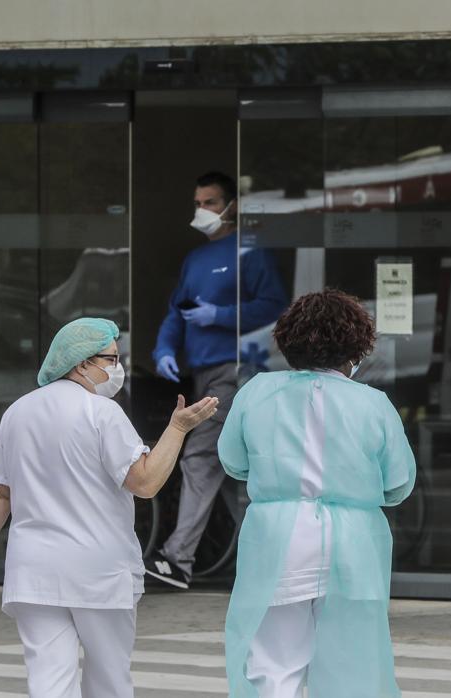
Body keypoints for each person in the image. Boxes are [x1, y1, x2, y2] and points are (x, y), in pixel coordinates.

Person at [0, 318, 219, 698]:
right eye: (111, 359)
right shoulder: (101, 412)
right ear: (81, 363)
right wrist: (177, 429)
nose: (118, 368)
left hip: (35, 573)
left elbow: (0, 492)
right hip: (99, 572)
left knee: (48, 681)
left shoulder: (18, 411)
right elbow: (145, 483)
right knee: (109, 681)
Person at [219, 289, 415, 697]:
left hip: (278, 539)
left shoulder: (256, 392)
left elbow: (233, 462)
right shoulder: (374, 403)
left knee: (274, 661)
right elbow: (397, 484)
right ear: (356, 347)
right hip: (354, 543)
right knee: (354, 662)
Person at [146, 170, 288, 589]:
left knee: (201, 457)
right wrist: (164, 350)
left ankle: (178, 559)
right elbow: (177, 312)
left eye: (209, 202)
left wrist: (220, 317)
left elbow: (274, 305)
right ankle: (273, 558)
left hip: (236, 369)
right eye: (198, 203)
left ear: (232, 207)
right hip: (203, 372)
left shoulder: (250, 252)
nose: (201, 210)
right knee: (231, 470)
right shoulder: (195, 259)